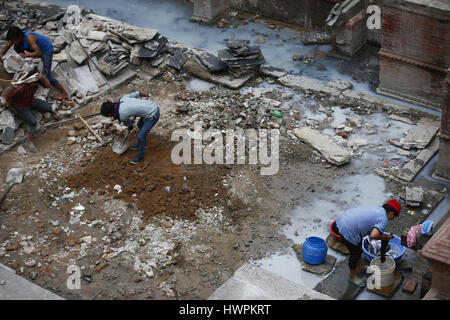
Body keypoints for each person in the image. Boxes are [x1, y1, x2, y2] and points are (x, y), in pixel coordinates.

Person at [331, 199, 401, 287]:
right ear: (391, 213)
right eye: (394, 217)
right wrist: (385, 237)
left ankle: (359, 267)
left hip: (343, 219)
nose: (393, 219)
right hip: (347, 228)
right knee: (355, 254)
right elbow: (374, 235)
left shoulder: (379, 210)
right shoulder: (384, 220)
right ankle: (352, 276)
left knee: (358, 246)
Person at [0, 26, 69, 101]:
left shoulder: (29, 38)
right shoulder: (16, 39)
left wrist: (26, 55)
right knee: (16, 47)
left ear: (18, 36)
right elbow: (6, 48)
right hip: (35, 49)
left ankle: (64, 93)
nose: (12, 41)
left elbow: (39, 53)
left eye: (13, 39)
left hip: (46, 50)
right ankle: (23, 62)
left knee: (46, 76)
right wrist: (1, 56)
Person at [100, 91, 160, 164]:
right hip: (150, 106)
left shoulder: (122, 114)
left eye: (107, 115)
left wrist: (130, 125)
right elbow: (138, 93)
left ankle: (140, 155)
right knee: (139, 125)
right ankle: (142, 144)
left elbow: (130, 123)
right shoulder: (123, 99)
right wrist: (144, 94)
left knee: (140, 136)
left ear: (110, 113)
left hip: (152, 114)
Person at [2, 70, 53, 152]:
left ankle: (30, 113)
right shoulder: (19, 87)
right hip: (20, 106)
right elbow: (6, 97)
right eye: (35, 83)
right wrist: (13, 108)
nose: (36, 85)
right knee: (33, 122)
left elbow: (48, 86)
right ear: (30, 81)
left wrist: (42, 77)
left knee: (48, 108)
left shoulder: (35, 81)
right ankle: (29, 141)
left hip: (30, 101)